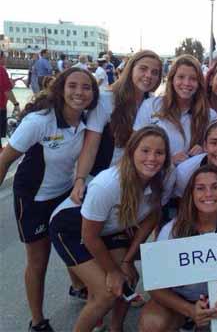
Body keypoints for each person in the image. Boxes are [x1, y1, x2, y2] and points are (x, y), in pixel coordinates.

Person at [0, 67, 99, 332]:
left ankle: (77, 286)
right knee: (39, 259)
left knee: (70, 244)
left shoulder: (88, 119)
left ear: (93, 92)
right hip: (32, 198)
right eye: (73, 86)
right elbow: (4, 160)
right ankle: (37, 320)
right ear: (61, 88)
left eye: (86, 87)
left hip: (64, 191)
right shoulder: (39, 122)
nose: (79, 92)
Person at [50, 126, 174, 332]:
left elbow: (153, 215)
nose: (152, 158)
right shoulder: (107, 184)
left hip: (111, 228)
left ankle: (116, 328)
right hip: (72, 229)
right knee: (105, 294)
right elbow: (89, 237)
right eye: (145, 150)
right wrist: (113, 271)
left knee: (130, 276)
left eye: (159, 152)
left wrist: (127, 261)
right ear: (132, 150)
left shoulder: (167, 175)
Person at [138, 165, 217, 332]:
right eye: (200, 188)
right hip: (181, 297)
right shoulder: (172, 230)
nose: (208, 194)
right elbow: (155, 286)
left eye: (215, 187)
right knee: (151, 323)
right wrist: (188, 309)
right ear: (191, 195)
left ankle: (211, 317)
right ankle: (187, 321)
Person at [70, 50, 163, 205]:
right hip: (102, 178)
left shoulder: (153, 104)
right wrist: (80, 179)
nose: (149, 75)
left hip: (133, 180)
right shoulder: (106, 99)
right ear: (131, 69)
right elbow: (90, 145)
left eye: (155, 72)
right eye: (143, 69)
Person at [133, 54, 216, 166]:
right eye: (181, 77)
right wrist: (169, 161)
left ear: (199, 83)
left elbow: (215, 151)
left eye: (193, 79)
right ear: (172, 79)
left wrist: (204, 151)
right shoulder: (151, 106)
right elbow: (134, 146)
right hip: (155, 178)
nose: (186, 83)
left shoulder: (209, 115)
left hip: (191, 180)